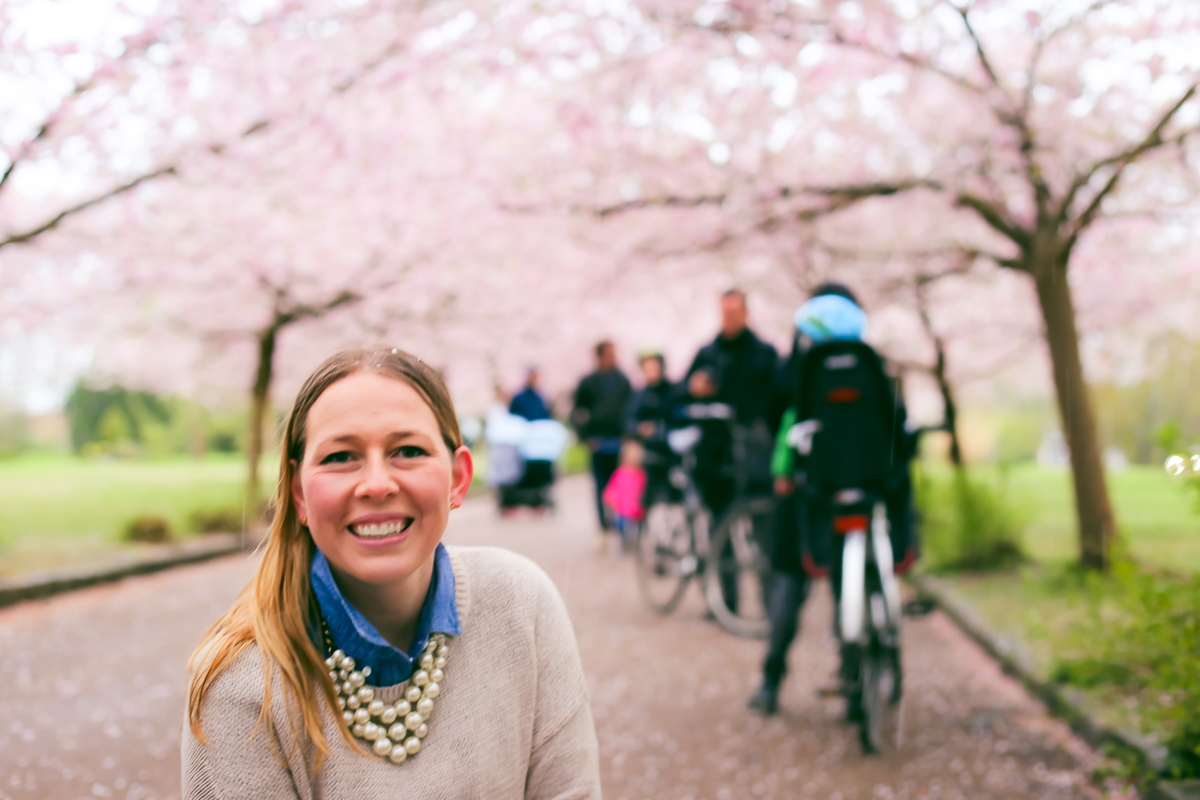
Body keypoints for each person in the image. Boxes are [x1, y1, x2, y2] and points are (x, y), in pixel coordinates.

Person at [183, 347, 600, 798]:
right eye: (341, 456)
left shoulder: (521, 605)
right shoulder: (243, 686)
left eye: (408, 450)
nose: (378, 484)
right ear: (299, 494)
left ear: (458, 479)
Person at [749, 283, 913, 717]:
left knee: (790, 578)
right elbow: (895, 425)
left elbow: (773, 410)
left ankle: (770, 681)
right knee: (849, 583)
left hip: (809, 490)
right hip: (864, 486)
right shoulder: (869, 361)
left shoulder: (800, 363)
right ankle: (854, 674)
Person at [685, 289, 781, 612]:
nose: (729, 319)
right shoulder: (706, 354)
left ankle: (771, 604)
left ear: (746, 313)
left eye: (734, 312)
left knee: (764, 533)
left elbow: (780, 400)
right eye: (724, 313)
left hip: (756, 457)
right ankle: (724, 602)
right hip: (716, 458)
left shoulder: (765, 354)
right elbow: (681, 398)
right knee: (719, 532)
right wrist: (693, 389)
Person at [571, 340, 632, 531]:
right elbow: (577, 412)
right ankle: (604, 525)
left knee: (622, 484)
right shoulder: (587, 382)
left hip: (620, 442)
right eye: (610, 354)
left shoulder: (623, 380)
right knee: (600, 486)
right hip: (598, 442)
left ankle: (622, 525)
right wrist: (586, 437)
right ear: (599, 356)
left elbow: (632, 408)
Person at [601, 439, 647, 550]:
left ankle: (633, 543)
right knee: (623, 526)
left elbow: (644, 492)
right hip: (623, 512)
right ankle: (626, 543)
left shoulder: (641, 475)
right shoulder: (620, 473)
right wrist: (612, 502)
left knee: (636, 528)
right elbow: (610, 491)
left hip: (637, 511)